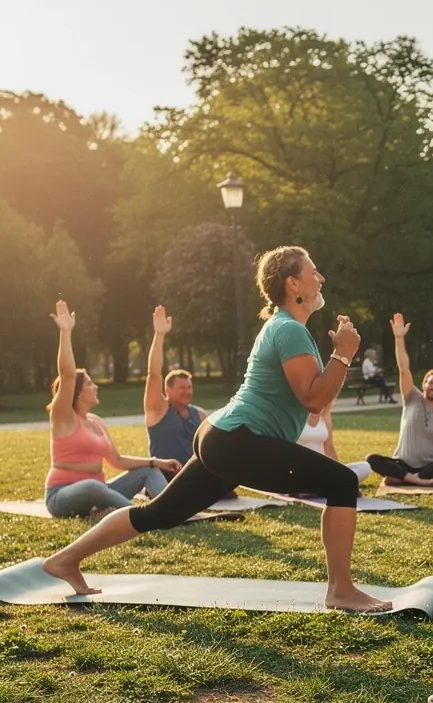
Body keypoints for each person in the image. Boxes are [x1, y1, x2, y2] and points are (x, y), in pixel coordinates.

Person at [41, 246, 392, 614]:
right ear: (293, 284)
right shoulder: (289, 329)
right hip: (236, 440)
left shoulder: (285, 327)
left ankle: (66, 559)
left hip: (221, 436)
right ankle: (341, 591)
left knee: (159, 514)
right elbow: (313, 399)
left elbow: (310, 399)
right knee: (341, 483)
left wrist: (337, 358)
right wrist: (344, 354)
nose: (320, 278)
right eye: (313, 272)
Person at [44, 301, 180, 520]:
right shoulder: (63, 418)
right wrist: (65, 332)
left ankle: (173, 511)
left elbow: (117, 460)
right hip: (62, 495)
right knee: (92, 487)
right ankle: (146, 517)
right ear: (77, 392)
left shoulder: (95, 421)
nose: (96, 386)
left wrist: (155, 462)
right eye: (90, 383)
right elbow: (68, 375)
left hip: (101, 490)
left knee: (148, 471)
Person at [365, 314, 433, 487]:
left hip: (430, 465)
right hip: (402, 463)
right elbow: (403, 369)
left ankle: (404, 478)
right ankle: (418, 480)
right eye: (431, 382)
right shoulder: (411, 397)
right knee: (372, 459)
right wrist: (399, 338)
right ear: (424, 384)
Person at [144, 305, 207, 467]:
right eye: (182, 388)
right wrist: (159, 335)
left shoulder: (200, 415)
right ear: (168, 390)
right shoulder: (158, 409)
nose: (187, 392)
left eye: (189, 388)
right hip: (165, 476)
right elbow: (154, 374)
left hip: (195, 476)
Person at [298, 407, 372, 483]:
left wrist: (337, 471)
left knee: (365, 467)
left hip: (323, 469)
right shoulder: (297, 414)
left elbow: (329, 449)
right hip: (301, 469)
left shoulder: (325, 415)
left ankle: (331, 484)